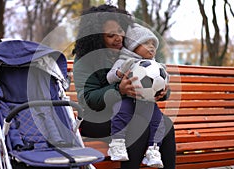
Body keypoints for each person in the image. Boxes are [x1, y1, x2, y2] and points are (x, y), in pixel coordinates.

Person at [72, 4, 176, 169]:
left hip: (128, 112)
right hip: (96, 119)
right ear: (97, 37)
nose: (118, 37)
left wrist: (163, 92)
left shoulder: (130, 53)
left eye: (120, 31)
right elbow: (88, 99)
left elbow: (150, 80)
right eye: (110, 35)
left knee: (166, 124)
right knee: (137, 125)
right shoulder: (86, 60)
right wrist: (118, 90)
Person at [106, 23, 167, 168]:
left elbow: (162, 81)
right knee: (121, 114)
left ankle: (153, 150)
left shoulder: (154, 65)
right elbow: (110, 77)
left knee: (159, 121)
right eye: (146, 43)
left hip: (147, 103)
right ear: (133, 46)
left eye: (153, 44)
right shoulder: (125, 61)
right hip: (128, 99)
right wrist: (120, 72)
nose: (151, 46)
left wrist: (164, 86)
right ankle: (117, 144)